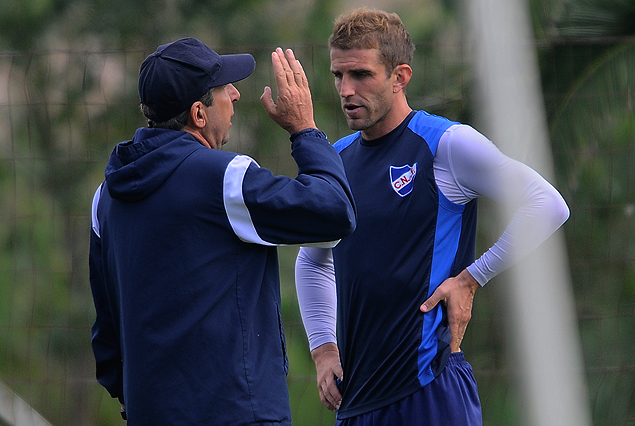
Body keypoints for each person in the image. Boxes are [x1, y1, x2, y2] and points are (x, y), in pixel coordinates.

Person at [295, 9, 570, 426]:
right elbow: (312, 258)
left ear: (400, 76)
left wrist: (470, 278)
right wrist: (322, 349)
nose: (347, 89)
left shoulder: (446, 144)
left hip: (429, 389)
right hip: (356, 401)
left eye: (362, 75)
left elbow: (547, 203)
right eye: (339, 75)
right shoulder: (337, 159)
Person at [89, 37, 356, 425]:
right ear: (199, 113)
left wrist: (134, 396)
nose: (235, 94)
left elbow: (106, 331)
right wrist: (305, 130)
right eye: (224, 89)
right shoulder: (224, 179)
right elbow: (335, 211)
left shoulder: (106, 196)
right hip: (237, 413)